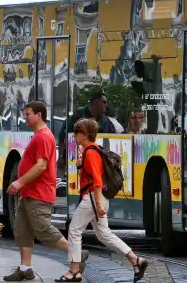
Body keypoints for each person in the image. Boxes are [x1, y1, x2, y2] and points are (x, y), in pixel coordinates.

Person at [4, 101, 88, 282]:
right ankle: (25, 268)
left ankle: (77, 253)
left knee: (43, 231)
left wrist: (19, 182)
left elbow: (41, 166)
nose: (25, 117)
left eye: (28, 114)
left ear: (39, 115)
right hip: (29, 193)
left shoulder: (43, 137)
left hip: (38, 193)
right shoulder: (38, 136)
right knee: (22, 230)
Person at [60, 119, 148, 283]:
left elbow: (97, 180)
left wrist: (99, 204)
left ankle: (74, 272)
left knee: (74, 230)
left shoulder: (91, 152)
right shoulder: (92, 150)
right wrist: (81, 165)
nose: (74, 136)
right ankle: (136, 260)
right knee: (104, 235)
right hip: (97, 200)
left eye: (76, 132)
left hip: (93, 199)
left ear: (84, 135)